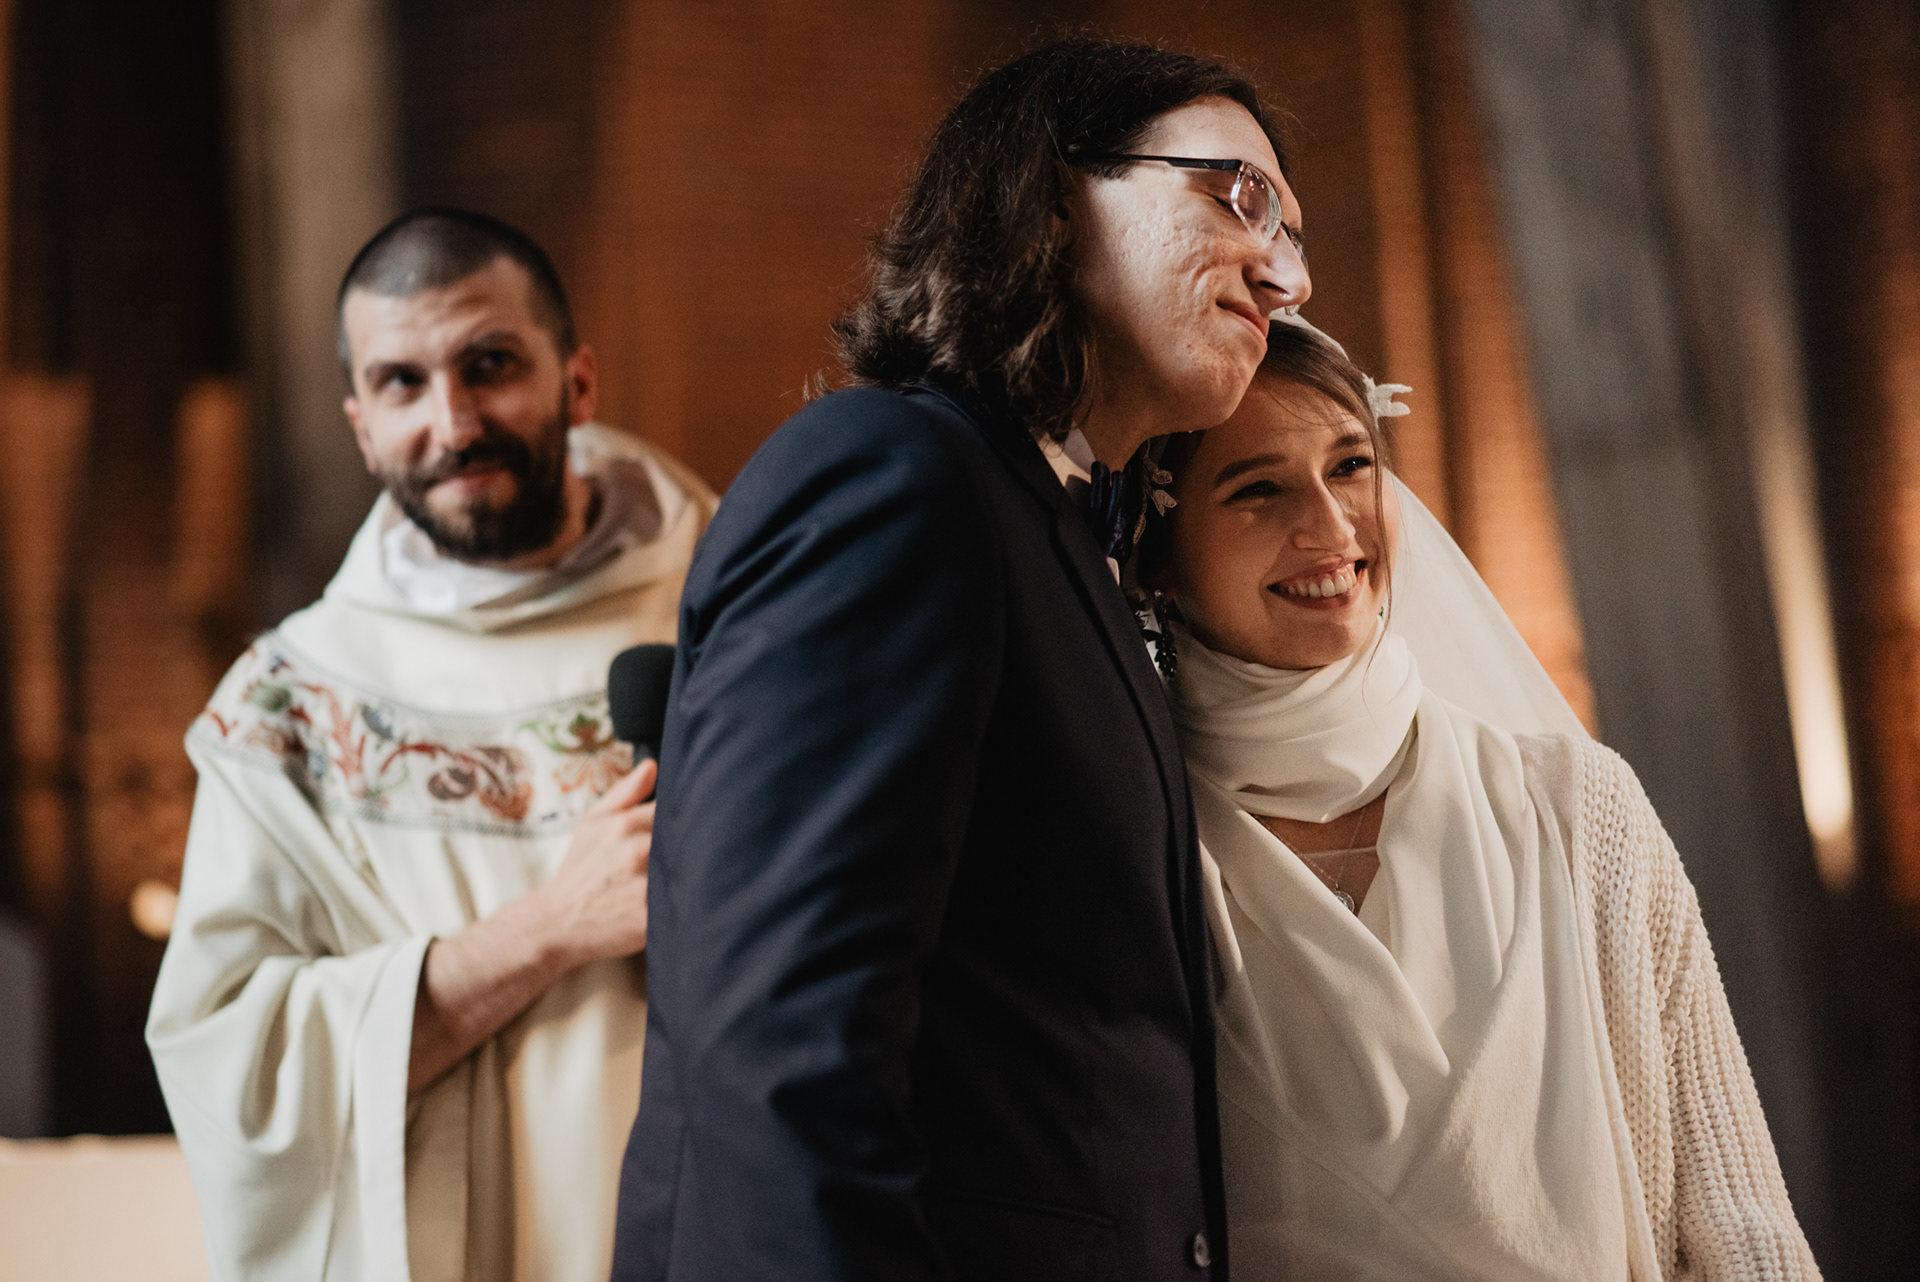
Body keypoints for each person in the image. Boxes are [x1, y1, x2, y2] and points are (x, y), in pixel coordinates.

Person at [611, 38, 1311, 1282]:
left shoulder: (1062, 533)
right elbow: (780, 1038)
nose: (1287, 277)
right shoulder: (892, 477)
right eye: (1239, 196)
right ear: (1052, 196)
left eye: (1295, 237)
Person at [1136, 315, 1821, 1278]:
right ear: (1159, 554)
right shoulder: (1150, 852)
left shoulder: (1579, 810)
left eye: (1352, 466)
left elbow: (1741, 1222)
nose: (1331, 527)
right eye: (1258, 489)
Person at [147, 209, 718, 1282]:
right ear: (361, 425)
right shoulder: (295, 702)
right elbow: (232, 1067)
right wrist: (547, 930)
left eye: (489, 364)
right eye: (401, 383)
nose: (452, 423)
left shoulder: (737, 617)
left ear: (578, 382)